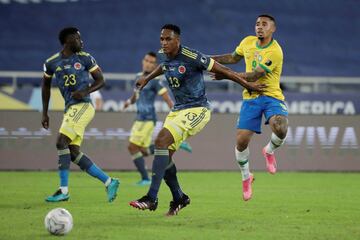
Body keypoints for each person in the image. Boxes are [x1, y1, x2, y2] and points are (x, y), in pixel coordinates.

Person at [129, 24, 265, 216]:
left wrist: (247, 83)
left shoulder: (192, 57)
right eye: (162, 39)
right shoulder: (163, 54)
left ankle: (151, 198)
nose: (164, 43)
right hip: (178, 110)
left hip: (197, 109)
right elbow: (164, 66)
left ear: (178, 40)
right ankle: (179, 198)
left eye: (168, 39)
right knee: (164, 155)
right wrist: (148, 78)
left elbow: (225, 70)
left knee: (160, 141)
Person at [211, 14, 288, 201]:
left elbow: (254, 76)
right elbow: (232, 57)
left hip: (271, 96)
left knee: (281, 127)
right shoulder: (247, 42)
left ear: (273, 28)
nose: (259, 27)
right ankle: (246, 177)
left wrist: (227, 75)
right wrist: (207, 60)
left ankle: (269, 150)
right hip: (250, 98)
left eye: (264, 24)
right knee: (241, 142)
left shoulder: (275, 51)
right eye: (257, 24)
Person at [41, 27, 119, 202]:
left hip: (83, 106)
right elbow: (45, 86)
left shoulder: (85, 57)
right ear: (68, 40)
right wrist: (44, 112)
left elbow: (101, 80)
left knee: (61, 142)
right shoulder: (51, 62)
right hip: (70, 108)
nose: (81, 41)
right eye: (78, 38)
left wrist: (86, 91)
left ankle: (63, 190)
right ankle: (109, 181)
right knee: (73, 152)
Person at [123, 51, 192, 186]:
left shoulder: (155, 81)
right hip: (139, 118)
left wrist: (176, 110)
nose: (148, 64)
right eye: (146, 61)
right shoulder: (138, 77)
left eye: (151, 62)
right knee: (142, 151)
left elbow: (167, 98)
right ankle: (177, 144)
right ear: (143, 61)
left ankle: (145, 178)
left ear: (155, 65)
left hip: (148, 119)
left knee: (132, 147)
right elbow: (136, 94)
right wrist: (129, 102)